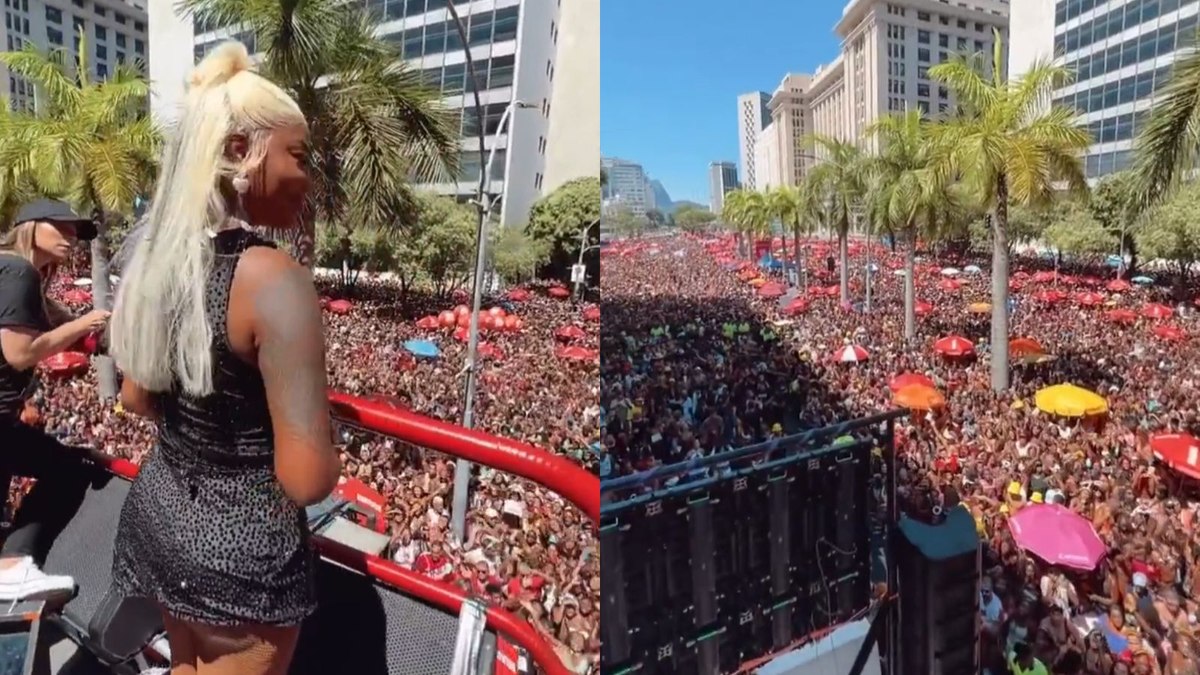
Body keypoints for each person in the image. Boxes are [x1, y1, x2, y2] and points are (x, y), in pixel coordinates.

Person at [107, 42, 341, 675]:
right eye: (298, 155)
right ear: (241, 152)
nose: (307, 178)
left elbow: (136, 398)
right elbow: (307, 479)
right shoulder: (273, 279)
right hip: (243, 561)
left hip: (159, 519)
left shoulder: (160, 261)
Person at [0, 199, 108, 601]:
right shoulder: (18, 270)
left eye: (76, 231)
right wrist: (86, 321)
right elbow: (20, 353)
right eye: (61, 227)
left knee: (67, 464)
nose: (71, 237)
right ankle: (13, 565)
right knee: (69, 469)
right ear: (30, 226)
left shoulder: (12, 271)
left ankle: (11, 564)